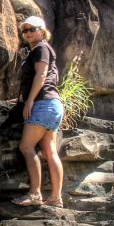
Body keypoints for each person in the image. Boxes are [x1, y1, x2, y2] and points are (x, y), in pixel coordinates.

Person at [11, 16, 65, 208]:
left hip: (43, 104)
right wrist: (22, 99)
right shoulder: (40, 49)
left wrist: (30, 101)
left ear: (42, 31)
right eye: (25, 30)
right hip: (53, 105)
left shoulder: (41, 48)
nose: (28, 33)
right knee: (50, 151)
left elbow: (41, 75)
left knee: (26, 147)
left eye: (32, 29)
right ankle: (56, 198)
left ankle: (35, 194)